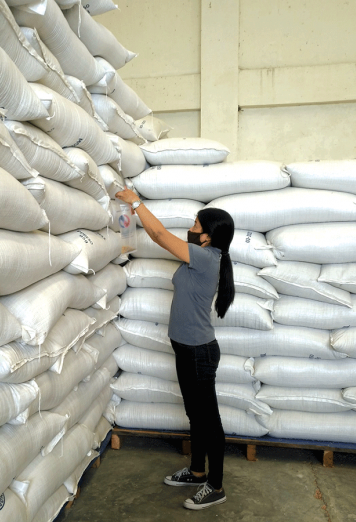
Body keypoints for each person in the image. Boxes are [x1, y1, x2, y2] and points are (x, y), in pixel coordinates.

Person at [116, 188, 236, 511]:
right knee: (195, 415)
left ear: (208, 238)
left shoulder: (206, 257)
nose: (191, 229)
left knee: (209, 420)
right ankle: (198, 471)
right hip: (186, 349)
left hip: (200, 352)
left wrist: (135, 204)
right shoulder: (201, 256)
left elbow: (157, 234)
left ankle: (216, 485)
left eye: (196, 226)